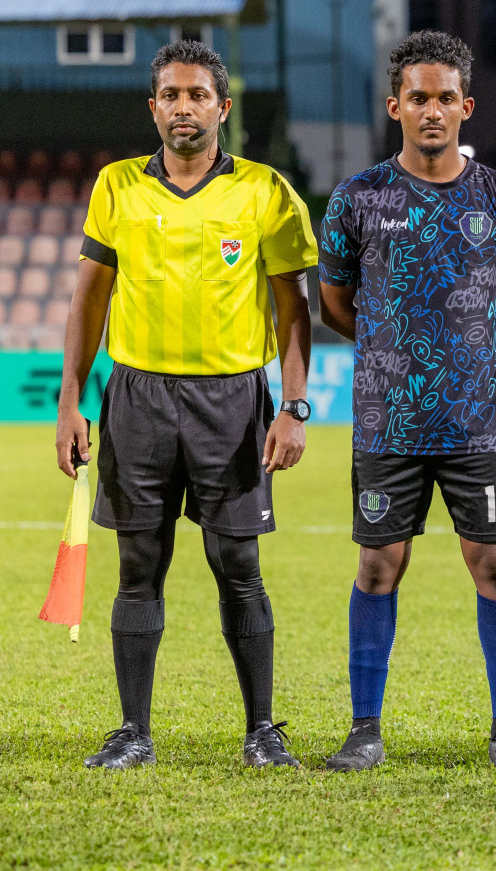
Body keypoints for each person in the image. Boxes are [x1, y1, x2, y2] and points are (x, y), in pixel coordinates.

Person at [56, 39, 316, 769]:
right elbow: (88, 303)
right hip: (136, 397)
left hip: (232, 400)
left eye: (197, 94)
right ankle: (133, 733)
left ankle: (262, 731)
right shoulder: (116, 187)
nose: (183, 107)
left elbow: (295, 309)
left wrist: (293, 408)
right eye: (170, 95)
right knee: (138, 562)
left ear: (222, 107)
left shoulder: (266, 191)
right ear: (153, 108)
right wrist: (70, 401)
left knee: (237, 560)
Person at [317, 31, 496, 772]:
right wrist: (395, 360)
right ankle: (364, 729)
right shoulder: (357, 198)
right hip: (388, 418)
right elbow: (333, 303)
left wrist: (481, 360)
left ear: (466, 107)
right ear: (396, 106)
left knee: (492, 564)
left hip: (479, 420)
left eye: (445, 98)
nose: (431, 110)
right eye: (417, 97)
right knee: (379, 564)